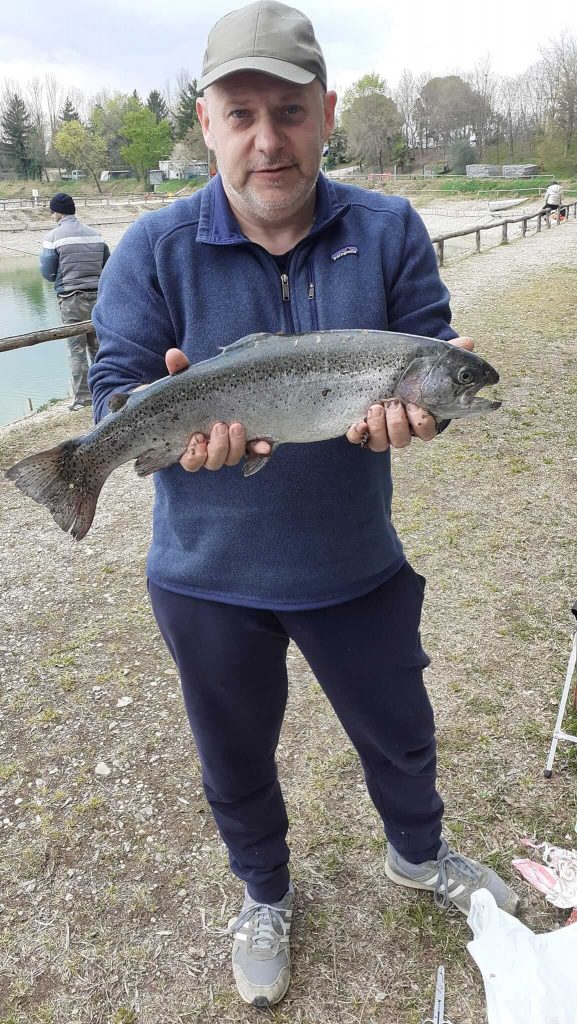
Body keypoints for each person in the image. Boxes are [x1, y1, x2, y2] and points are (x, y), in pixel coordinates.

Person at [89, 1, 520, 1008]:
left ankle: (418, 852)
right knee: (233, 753)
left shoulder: (390, 229)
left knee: (401, 730)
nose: (267, 139)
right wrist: (143, 419)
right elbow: (110, 387)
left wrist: (428, 417)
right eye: (241, 114)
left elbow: (435, 357)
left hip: (353, 561)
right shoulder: (152, 248)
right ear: (206, 122)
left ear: (327, 112)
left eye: (289, 110)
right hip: (204, 577)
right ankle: (263, 891)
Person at [40, 192, 110, 411]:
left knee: (76, 349)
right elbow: (107, 266)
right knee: (100, 347)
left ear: (56, 213)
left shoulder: (53, 237)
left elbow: (47, 272)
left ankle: (83, 398)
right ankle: (106, 390)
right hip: (99, 297)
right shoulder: (96, 235)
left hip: (71, 300)